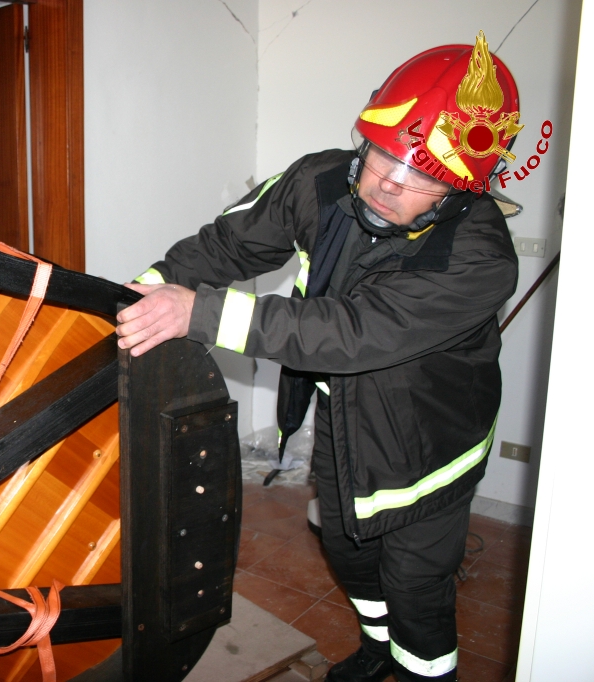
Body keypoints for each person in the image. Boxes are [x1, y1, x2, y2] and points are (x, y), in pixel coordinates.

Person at [116, 31, 519, 682]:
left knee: (416, 585)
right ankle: (377, 648)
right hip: (343, 416)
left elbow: (353, 331)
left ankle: (421, 669)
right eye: (383, 153)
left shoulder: (478, 259)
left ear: (461, 191)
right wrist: (140, 293)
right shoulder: (321, 179)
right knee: (346, 549)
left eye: (422, 175)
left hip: (429, 448)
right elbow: (226, 246)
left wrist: (201, 315)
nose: (387, 181)